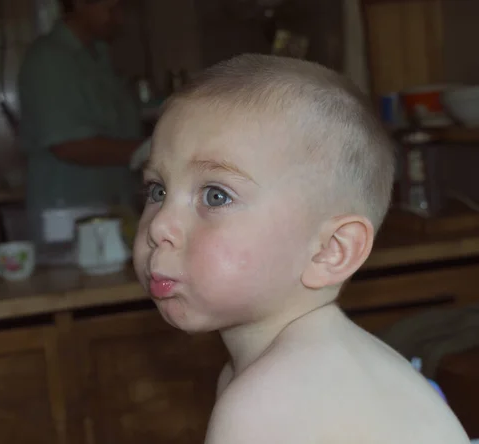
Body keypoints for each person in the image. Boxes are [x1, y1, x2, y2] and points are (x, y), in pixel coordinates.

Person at [133, 54, 471, 443]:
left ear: (331, 250)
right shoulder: (312, 364)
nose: (158, 226)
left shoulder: (270, 401)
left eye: (215, 195)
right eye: (157, 190)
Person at [18, 0, 145, 244]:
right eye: (112, 9)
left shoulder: (98, 56)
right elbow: (70, 145)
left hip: (111, 208)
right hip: (68, 215)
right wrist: (148, 149)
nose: (119, 19)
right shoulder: (50, 59)